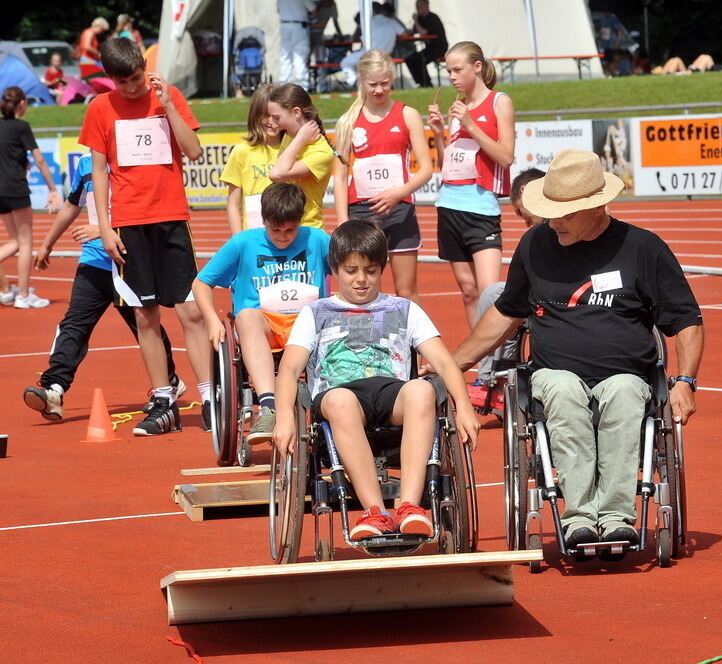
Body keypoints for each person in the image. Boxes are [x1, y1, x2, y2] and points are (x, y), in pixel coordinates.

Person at [451, 150, 704, 552]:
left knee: (623, 394)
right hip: (555, 374)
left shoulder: (643, 248)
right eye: (550, 212)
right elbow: (506, 313)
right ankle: (580, 518)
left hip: (627, 375)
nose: (554, 222)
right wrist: (452, 365)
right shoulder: (536, 244)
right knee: (564, 393)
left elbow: (686, 319)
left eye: (565, 215)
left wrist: (686, 381)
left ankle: (616, 517)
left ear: (598, 206)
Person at [273, 219, 479, 541]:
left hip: (390, 390)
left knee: (422, 390)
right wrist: (285, 417)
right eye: (351, 270)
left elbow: (442, 361)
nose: (361, 280)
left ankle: (409, 506)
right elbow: (288, 369)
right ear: (335, 269)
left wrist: (464, 406)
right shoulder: (316, 312)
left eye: (370, 271)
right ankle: (375, 512)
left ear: (382, 268)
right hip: (338, 394)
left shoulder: (404, 308)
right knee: (341, 402)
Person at [79, 37, 211, 435]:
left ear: (143, 66)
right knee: (144, 314)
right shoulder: (101, 109)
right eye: (123, 83)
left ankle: (209, 397)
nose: (133, 88)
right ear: (109, 80)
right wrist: (104, 226)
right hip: (128, 223)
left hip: (170, 216)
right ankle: (163, 399)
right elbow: (99, 171)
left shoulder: (166, 96)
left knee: (189, 311)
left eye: (136, 78)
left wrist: (168, 106)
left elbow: (194, 151)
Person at [23, 153, 184, 421]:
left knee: (145, 324)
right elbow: (72, 204)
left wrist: (103, 229)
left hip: (130, 259)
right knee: (75, 323)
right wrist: (47, 244)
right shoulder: (86, 164)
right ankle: (54, 388)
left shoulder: (137, 159)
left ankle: (169, 382)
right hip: (95, 260)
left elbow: (150, 209)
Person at [193, 182, 330, 444]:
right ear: (263, 219)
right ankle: (268, 407)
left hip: (308, 325)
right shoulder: (243, 243)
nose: (282, 236)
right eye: (275, 229)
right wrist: (212, 321)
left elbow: (348, 267)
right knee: (246, 316)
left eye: (290, 230)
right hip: (263, 326)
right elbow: (201, 283)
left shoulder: (318, 239)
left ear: (300, 220)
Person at [332, 50, 432, 303]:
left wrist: (397, 193)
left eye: (385, 84)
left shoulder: (407, 114)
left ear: (392, 80)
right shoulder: (348, 121)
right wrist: (343, 222)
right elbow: (340, 177)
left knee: (406, 289)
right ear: (362, 82)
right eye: (373, 84)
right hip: (361, 213)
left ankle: (415, 343)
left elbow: (426, 169)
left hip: (399, 211)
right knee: (360, 287)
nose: (379, 90)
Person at [428, 41, 515, 329]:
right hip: (449, 206)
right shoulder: (458, 107)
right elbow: (447, 165)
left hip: (481, 209)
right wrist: (440, 135)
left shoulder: (499, 101)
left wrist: (471, 124)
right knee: (467, 292)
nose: (451, 76)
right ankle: (481, 364)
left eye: (457, 69)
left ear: (477, 67)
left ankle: (497, 364)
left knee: (489, 294)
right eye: (447, 71)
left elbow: (506, 156)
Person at [468, 167, 544, 415]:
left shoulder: (564, 223)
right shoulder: (537, 234)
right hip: (539, 291)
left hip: (557, 296)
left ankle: (497, 384)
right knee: (493, 293)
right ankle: (493, 380)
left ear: (525, 191)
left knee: (505, 297)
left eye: (521, 212)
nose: (523, 220)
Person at [0, 86, 62, 309]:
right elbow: (40, 160)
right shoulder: (22, 127)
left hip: (1, 192)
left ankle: (7, 291)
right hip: (15, 189)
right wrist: (53, 189)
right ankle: (23, 295)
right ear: (22, 104)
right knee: (26, 243)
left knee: (16, 241)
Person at [267, 83, 338, 230]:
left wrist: (300, 139)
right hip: (282, 228)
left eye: (276, 118)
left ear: (296, 113)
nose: (272, 123)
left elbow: (277, 174)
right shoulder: (290, 137)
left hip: (306, 229)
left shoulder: (321, 152)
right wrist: (299, 139)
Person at [220, 83, 283, 234]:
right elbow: (233, 204)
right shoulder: (242, 151)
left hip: (287, 234)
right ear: (255, 115)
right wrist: (238, 240)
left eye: (276, 116)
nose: (271, 122)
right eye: (265, 115)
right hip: (254, 235)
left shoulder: (294, 150)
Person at [339, 2, 404, 87]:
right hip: (386, 54)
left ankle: (354, 82)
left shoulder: (368, 22)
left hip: (371, 53)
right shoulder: (392, 21)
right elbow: (405, 33)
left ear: (371, 10)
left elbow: (355, 37)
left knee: (345, 62)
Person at [403, 0, 448, 88]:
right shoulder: (421, 19)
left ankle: (427, 83)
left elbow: (423, 33)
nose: (418, 9)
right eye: (417, 7)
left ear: (426, 5)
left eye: (420, 6)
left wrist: (415, 19)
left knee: (420, 59)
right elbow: (413, 31)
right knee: (410, 59)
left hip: (439, 48)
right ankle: (421, 82)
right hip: (429, 49)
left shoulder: (433, 18)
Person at [279, 0, 315, 87]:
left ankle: (284, 85)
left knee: (285, 57)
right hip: (299, 26)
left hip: (284, 25)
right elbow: (314, 10)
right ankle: (302, 85)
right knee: (300, 56)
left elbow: (278, 10)